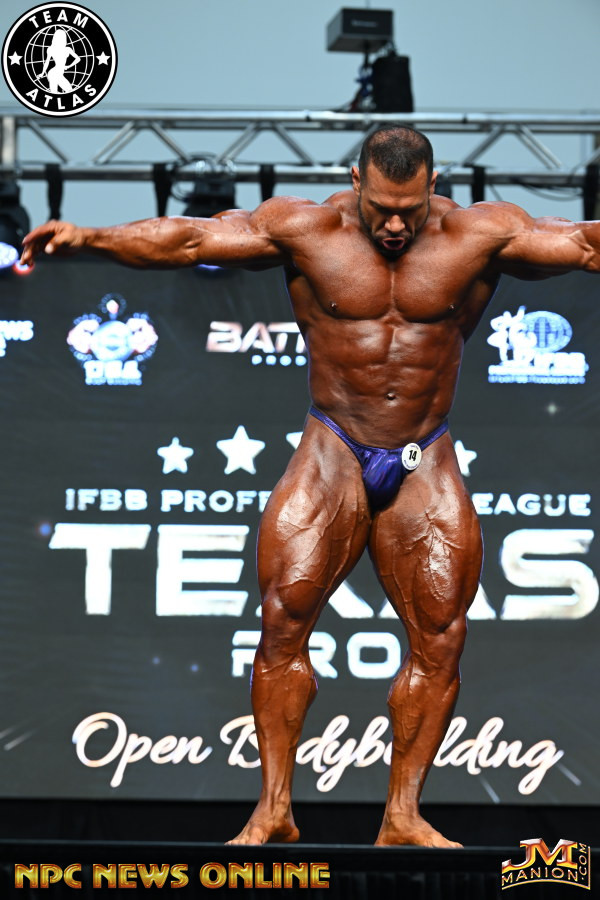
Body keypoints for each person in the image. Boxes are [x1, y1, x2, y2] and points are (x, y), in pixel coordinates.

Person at [21, 126, 600, 848]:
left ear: (433, 186)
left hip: (423, 452)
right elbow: (191, 240)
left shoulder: (481, 235)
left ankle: (403, 816)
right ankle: (273, 810)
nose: (395, 225)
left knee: (441, 640)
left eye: (410, 210)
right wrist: (89, 237)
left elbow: (584, 244)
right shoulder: (307, 229)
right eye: (382, 208)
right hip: (334, 447)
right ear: (355, 181)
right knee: (282, 623)